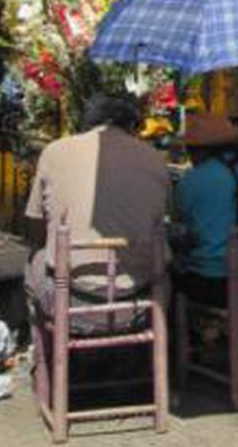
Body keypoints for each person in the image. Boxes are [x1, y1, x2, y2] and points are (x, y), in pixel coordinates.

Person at [24, 94, 169, 318]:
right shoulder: (155, 158)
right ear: (131, 125)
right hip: (141, 305)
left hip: (73, 302)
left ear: (87, 123)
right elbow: (164, 220)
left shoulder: (54, 151)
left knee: (35, 260)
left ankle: (43, 351)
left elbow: (35, 225)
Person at [172, 112, 238, 310]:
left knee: (172, 272)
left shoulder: (192, 181)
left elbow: (183, 228)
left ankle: (195, 333)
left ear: (197, 150)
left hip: (219, 286)